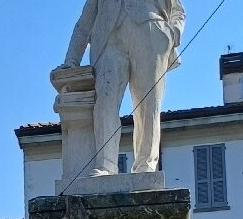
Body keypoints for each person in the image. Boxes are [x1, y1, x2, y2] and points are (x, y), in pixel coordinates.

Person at [59, 0, 186, 176]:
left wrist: (173, 34)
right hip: (108, 38)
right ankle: (105, 164)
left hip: (150, 30)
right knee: (105, 99)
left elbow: (178, 11)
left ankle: (145, 165)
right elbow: (86, 20)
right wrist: (71, 59)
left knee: (148, 104)